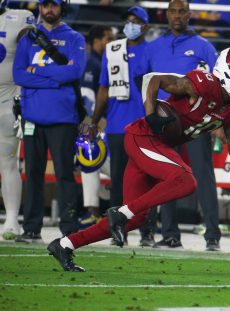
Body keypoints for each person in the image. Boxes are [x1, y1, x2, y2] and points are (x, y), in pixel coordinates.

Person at [47, 47, 230, 272]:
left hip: (156, 146)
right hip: (144, 136)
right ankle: (119, 213)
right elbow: (152, 79)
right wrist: (150, 115)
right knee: (186, 180)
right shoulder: (203, 83)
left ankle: (65, 245)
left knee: (135, 219)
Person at [138, 0, 221, 250]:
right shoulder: (152, 47)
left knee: (204, 176)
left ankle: (213, 236)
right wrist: (151, 114)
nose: (177, 15)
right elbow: (142, 82)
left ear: (189, 14)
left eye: (182, 11)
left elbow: (217, 86)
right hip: (163, 122)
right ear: (167, 14)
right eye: (173, 11)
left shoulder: (204, 47)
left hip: (195, 123)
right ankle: (169, 234)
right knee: (163, 176)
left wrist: (214, 120)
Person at [13, 0, 86, 242]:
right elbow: (19, 75)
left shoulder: (75, 38)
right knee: (32, 173)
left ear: (61, 7)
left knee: (65, 174)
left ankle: (69, 230)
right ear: (40, 8)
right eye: (45, 5)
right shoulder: (28, 38)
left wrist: (38, 72)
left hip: (64, 117)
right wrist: (56, 80)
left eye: (53, 5)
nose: (49, 10)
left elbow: (75, 73)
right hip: (32, 116)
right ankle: (31, 228)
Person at [89, 6, 156, 246]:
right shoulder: (112, 50)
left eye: (136, 21)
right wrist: (94, 121)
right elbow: (104, 89)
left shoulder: (152, 51)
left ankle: (147, 231)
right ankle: (118, 232)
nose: (131, 25)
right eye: (128, 21)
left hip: (144, 127)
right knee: (118, 183)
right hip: (118, 127)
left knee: (147, 181)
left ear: (146, 26)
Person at [0, 0, 34, 240]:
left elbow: (33, 50)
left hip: (7, 100)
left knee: (8, 162)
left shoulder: (18, 16)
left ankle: (12, 219)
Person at [78, 25, 114, 228]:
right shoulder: (94, 63)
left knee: (91, 160)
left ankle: (94, 209)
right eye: (107, 38)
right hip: (95, 127)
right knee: (89, 157)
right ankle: (92, 210)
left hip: (97, 127)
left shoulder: (97, 62)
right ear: (96, 40)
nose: (110, 43)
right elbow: (89, 101)